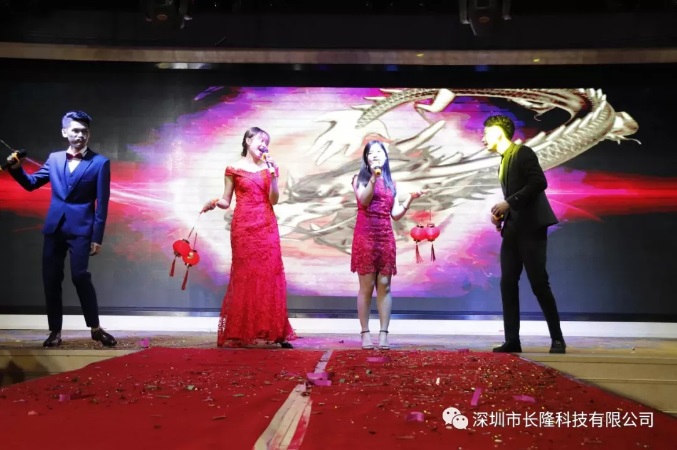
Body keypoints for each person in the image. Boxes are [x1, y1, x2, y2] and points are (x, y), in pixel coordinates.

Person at [6, 111, 117, 348]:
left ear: (89, 134)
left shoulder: (100, 163)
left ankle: (95, 328)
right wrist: (16, 169)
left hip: (82, 229)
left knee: (80, 276)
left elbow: (102, 204)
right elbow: (32, 184)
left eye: (84, 131)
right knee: (51, 279)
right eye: (75, 130)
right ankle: (55, 331)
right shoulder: (55, 159)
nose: (80, 135)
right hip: (54, 228)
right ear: (65, 132)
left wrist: (97, 237)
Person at [202, 126, 295, 348]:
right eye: (260, 140)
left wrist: (273, 177)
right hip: (243, 227)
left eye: (267, 141)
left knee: (269, 274)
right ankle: (240, 331)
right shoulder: (233, 169)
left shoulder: (270, 168)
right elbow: (226, 200)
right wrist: (214, 202)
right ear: (247, 140)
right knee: (244, 275)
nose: (264, 144)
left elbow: (273, 200)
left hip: (266, 225)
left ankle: (274, 331)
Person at [483, 115, 566, 354]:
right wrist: (501, 216)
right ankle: (512, 340)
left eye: (486, 132)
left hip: (531, 227)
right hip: (513, 229)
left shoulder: (522, 153)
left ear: (499, 132)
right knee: (507, 283)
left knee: (539, 283)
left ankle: (557, 339)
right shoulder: (503, 160)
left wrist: (509, 202)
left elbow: (539, 182)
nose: (483, 138)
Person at [351, 140, 424, 350]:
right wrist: (373, 179)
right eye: (371, 152)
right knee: (366, 287)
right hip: (365, 236)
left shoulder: (392, 183)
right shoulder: (359, 179)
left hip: (385, 236)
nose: (375, 155)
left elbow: (395, 214)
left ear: (385, 156)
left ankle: (384, 333)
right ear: (366, 158)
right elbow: (364, 201)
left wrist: (409, 200)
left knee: (385, 285)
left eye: (379, 152)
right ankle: (365, 333)